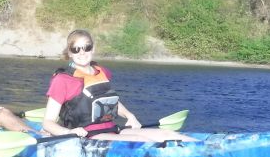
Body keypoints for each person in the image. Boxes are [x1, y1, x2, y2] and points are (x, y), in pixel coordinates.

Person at [42, 29, 192, 142]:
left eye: (87, 47)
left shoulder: (102, 72)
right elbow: (48, 123)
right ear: (69, 53)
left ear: (93, 49)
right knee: (144, 142)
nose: (82, 53)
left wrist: (129, 116)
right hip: (87, 137)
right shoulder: (62, 80)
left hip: (112, 130)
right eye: (76, 49)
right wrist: (67, 132)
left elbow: (108, 101)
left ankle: (212, 152)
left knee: (169, 135)